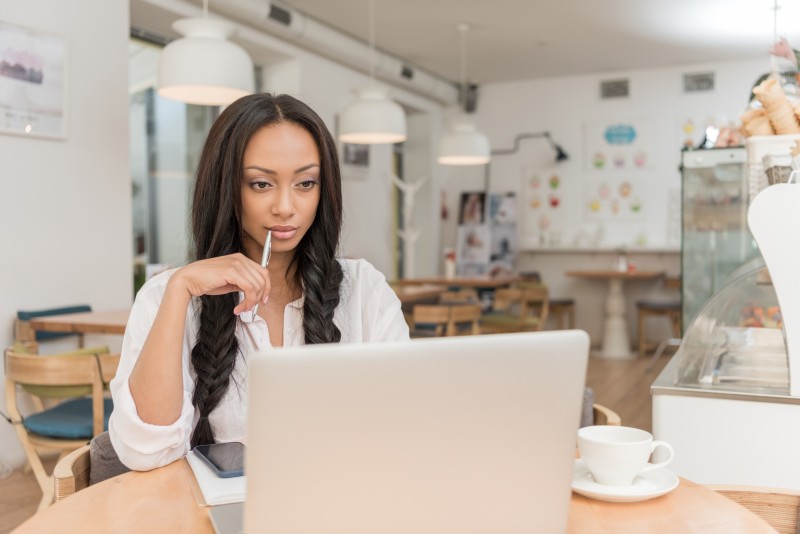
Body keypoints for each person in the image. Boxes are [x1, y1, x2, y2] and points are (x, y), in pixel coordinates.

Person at [109, 93, 410, 471]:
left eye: (305, 183)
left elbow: (402, 425)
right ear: (226, 189)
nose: (286, 206)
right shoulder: (166, 296)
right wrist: (180, 288)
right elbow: (143, 451)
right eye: (261, 184)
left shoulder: (365, 289)